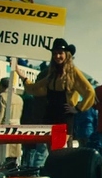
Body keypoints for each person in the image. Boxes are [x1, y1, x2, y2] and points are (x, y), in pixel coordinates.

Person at [22, 38, 95, 168]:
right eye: (55, 53)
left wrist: (78, 108)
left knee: (59, 151)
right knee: (52, 152)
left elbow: (90, 92)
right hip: (50, 114)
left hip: (64, 116)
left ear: (67, 54)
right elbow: (36, 88)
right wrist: (24, 79)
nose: (57, 56)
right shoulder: (51, 72)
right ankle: (56, 177)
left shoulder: (73, 72)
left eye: (60, 53)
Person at [0, 77, 24, 164]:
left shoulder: (2, 97)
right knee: (14, 155)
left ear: (1, 86)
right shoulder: (19, 98)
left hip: (4, 129)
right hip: (17, 128)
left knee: (2, 156)